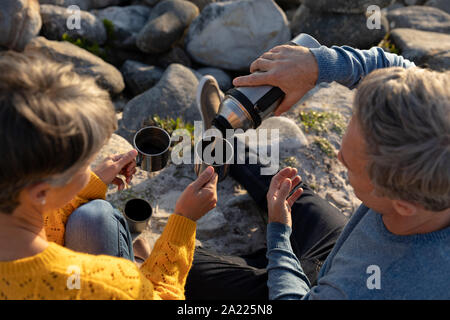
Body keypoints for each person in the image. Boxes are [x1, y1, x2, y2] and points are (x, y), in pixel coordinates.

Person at [185, 41, 450, 299]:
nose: (339, 156)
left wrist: (279, 235)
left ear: (403, 204)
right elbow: (394, 70)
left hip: (315, 290)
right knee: (294, 192)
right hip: (337, 251)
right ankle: (226, 138)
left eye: (350, 167)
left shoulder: (367, 286)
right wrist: (315, 65)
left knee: (178, 263)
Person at [0, 50, 218, 300]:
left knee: (93, 216)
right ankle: (139, 260)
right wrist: (184, 220)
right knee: (97, 218)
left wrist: (90, 182)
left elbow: (38, 216)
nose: (91, 167)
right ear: (41, 192)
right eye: (84, 164)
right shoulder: (103, 284)